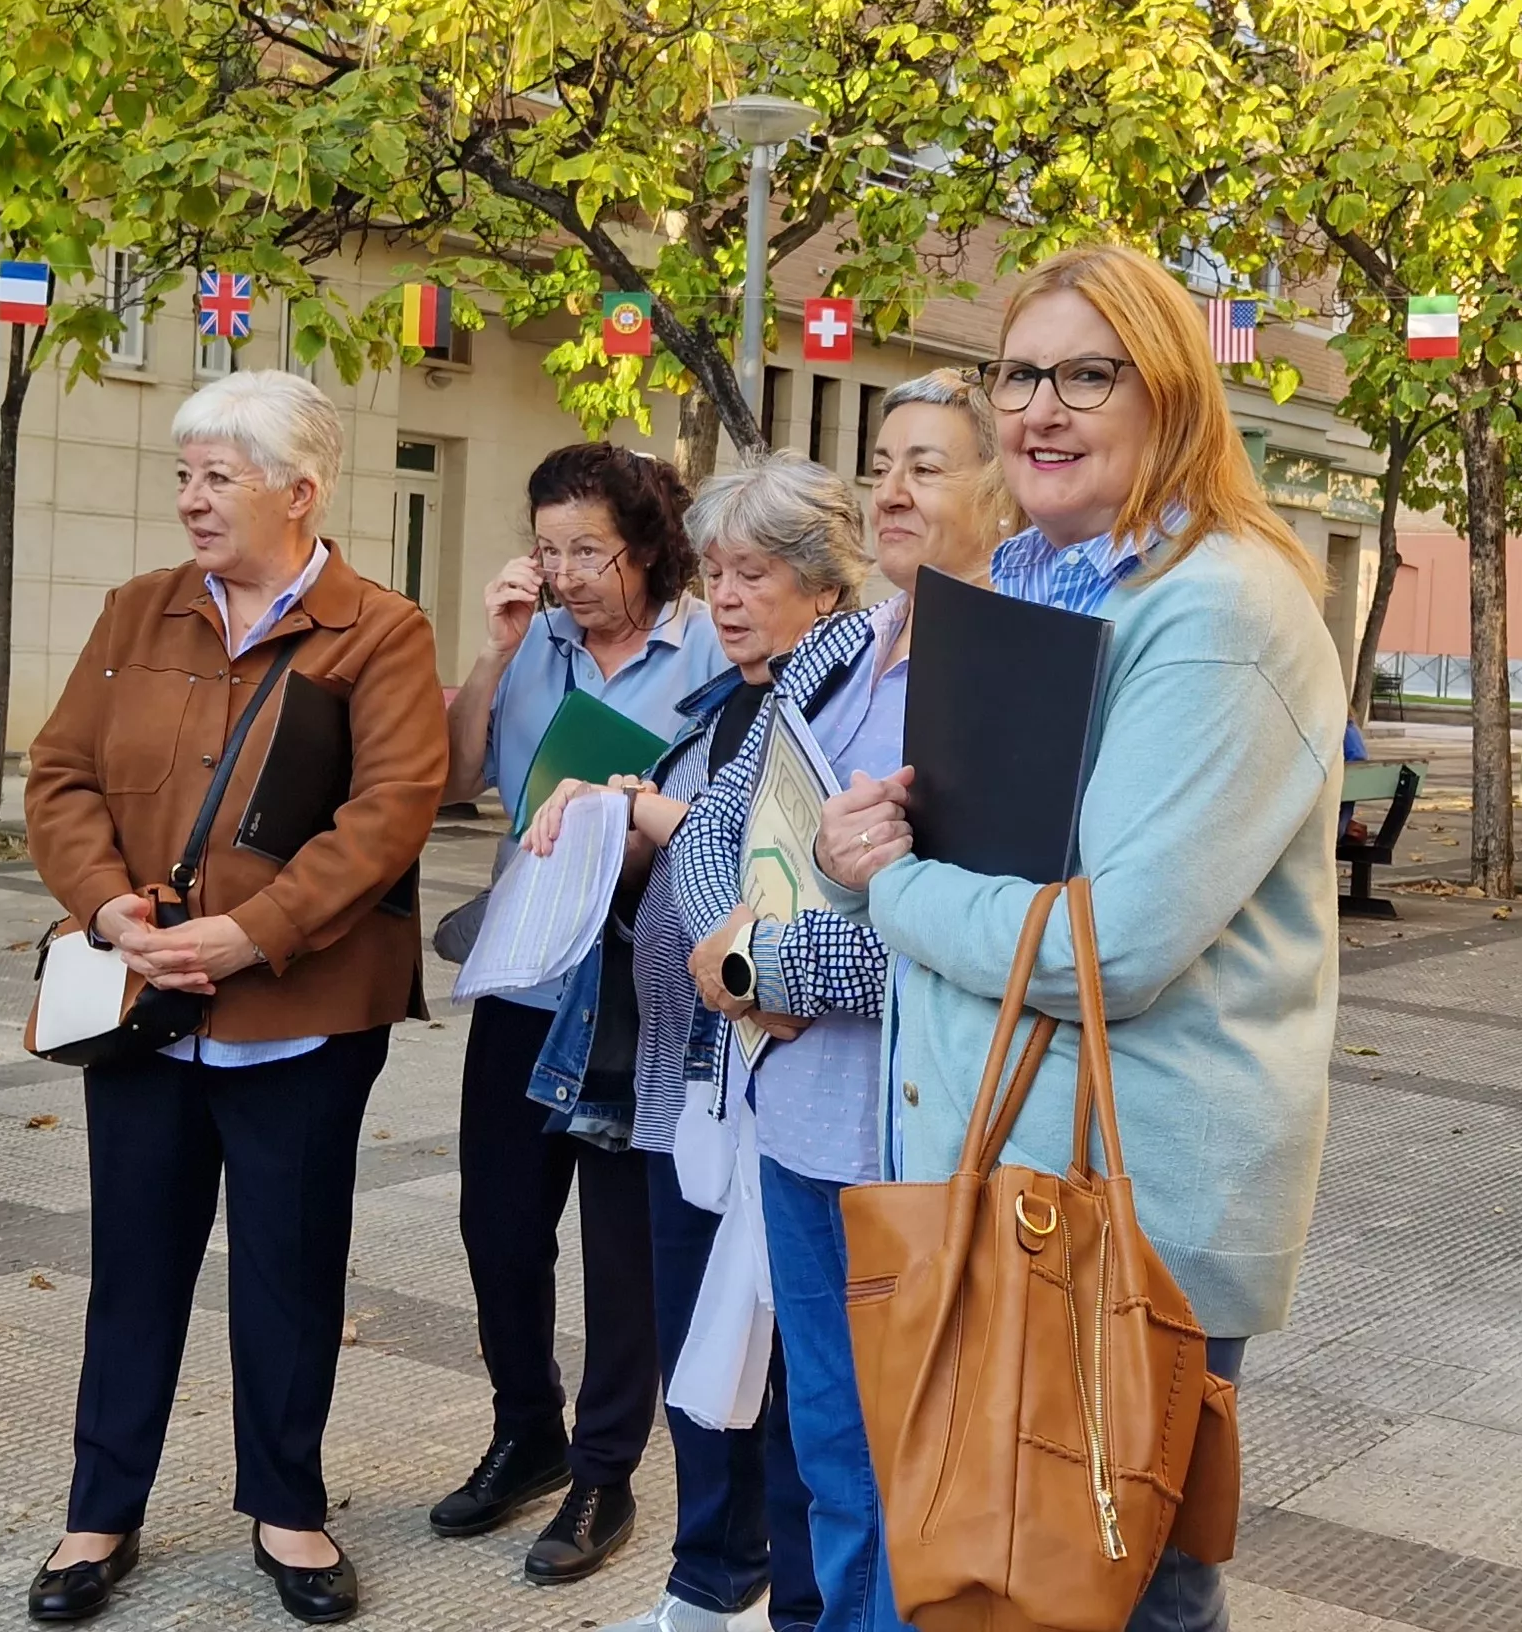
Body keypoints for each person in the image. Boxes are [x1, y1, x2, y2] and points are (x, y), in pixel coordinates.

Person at [814, 240, 1346, 1632]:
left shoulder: (1217, 608)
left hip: (1119, 1210)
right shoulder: (1042, 587)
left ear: (1167, 395)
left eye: (1085, 376)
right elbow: (1001, 854)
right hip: (1001, 1168)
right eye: (1018, 375)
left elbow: (1106, 948)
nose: (1039, 409)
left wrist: (889, 882)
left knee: (1108, 1591)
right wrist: (890, 830)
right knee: (1006, 1584)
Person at [21, 371, 447, 1627]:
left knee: (288, 1269)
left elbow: (389, 815)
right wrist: (108, 910)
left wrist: (251, 935)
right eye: (183, 474)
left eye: (218, 477)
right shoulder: (134, 613)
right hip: (141, 1007)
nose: (190, 500)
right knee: (134, 1270)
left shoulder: (379, 630)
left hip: (299, 1018)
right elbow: (59, 779)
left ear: (299, 492)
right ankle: (99, 1512)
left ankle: (287, 1509)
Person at [679, 373, 1018, 1632]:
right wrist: (722, 946)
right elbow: (720, 819)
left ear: (998, 486)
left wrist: (769, 975)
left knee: (911, 1477)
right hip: (801, 1121)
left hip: (916, 1138)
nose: (889, 489)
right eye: (880, 461)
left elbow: (973, 931)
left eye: (926, 466)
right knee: (828, 1463)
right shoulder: (839, 645)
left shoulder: (1012, 668)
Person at [529, 455, 869, 1632]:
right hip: (688, 1082)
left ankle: (789, 1598)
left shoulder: (843, 703)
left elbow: (806, 887)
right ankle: (705, 1581)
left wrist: (658, 820)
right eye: (714, 570)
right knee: (702, 1350)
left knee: (791, 1378)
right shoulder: (732, 703)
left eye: (754, 573)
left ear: (825, 589)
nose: (723, 597)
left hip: (785, 1078)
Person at [431, 443, 727, 1579]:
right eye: (548, 550)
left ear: (647, 547)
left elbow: (728, 821)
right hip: (527, 972)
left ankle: (604, 1474)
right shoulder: (533, 641)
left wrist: (640, 811)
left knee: (622, 1251)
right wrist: (495, 653)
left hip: (632, 989)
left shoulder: (706, 651)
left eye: (588, 553)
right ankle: (527, 1434)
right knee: (497, 1229)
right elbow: (456, 782)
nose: (564, 575)